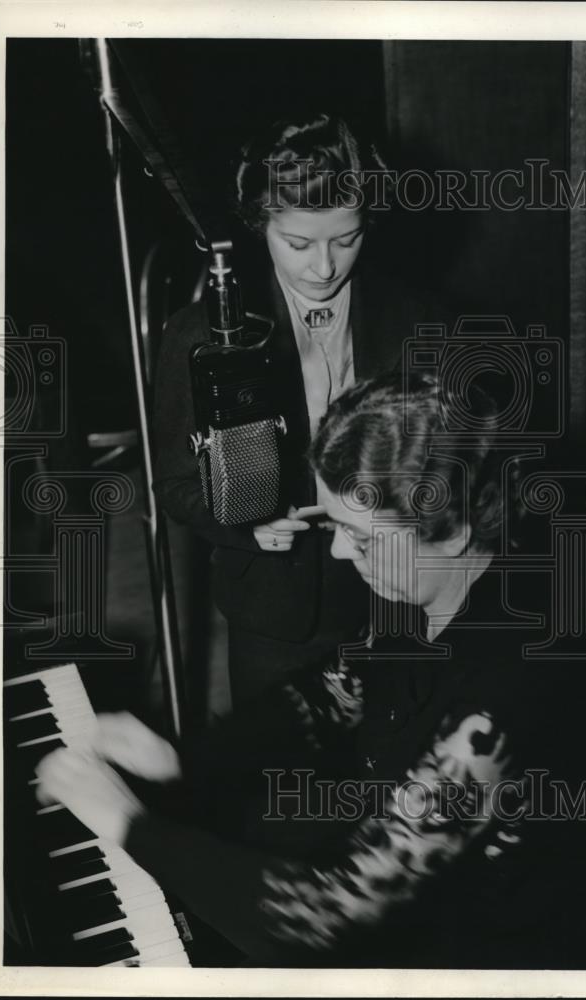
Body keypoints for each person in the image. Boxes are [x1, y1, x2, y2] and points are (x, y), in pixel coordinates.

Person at [36, 371, 573, 968]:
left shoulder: (509, 698)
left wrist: (129, 822)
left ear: (450, 536)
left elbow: (324, 910)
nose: (340, 552)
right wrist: (185, 758)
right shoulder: (424, 580)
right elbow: (334, 691)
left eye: (362, 538)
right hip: (383, 837)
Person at [153, 112, 442, 706]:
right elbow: (176, 484)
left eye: (347, 238)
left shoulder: (419, 317)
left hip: (398, 596)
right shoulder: (200, 334)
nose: (325, 266)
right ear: (259, 226)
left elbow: (455, 465)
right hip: (275, 608)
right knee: (281, 782)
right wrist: (246, 523)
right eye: (298, 243)